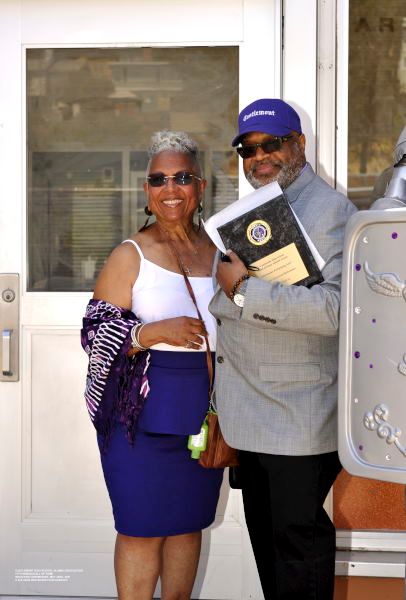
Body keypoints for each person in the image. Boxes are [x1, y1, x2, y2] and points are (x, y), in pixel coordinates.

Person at [209, 98, 357, 599]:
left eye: (271, 144)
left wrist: (243, 291)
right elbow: (223, 301)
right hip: (250, 413)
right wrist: (233, 292)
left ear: (300, 144)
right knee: (272, 556)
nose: (259, 157)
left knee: (297, 555)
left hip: (297, 416)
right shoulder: (246, 212)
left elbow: (335, 311)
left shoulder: (333, 212)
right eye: (248, 150)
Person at [81, 130, 223, 600]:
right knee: (141, 529)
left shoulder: (219, 251)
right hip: (136, 419)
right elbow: (93, 332)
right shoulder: (131, 254)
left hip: (203, 414)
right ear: (147, 190)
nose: (170, 188)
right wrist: (151, 332)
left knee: (187, 525)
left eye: (182, 177)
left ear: (200, 186)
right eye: (159, 179)